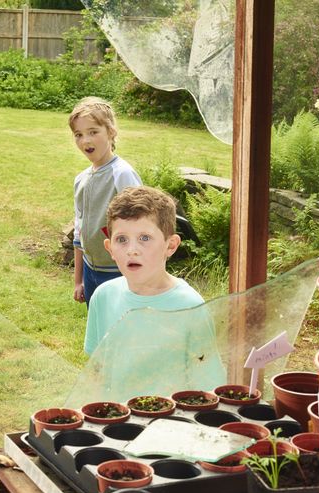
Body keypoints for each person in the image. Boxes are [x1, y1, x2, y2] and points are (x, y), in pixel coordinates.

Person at [84, 186, 226, 391]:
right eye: (121, 240)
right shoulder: (103, 296)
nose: (132, 250)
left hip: (170, 420)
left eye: (145, 238)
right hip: (117, 418)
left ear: (171, 246)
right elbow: (97, 370)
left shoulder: (190, 306)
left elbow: (207, 384)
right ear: (110, 248)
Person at [69, 96, 141, 306]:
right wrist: (78, 280)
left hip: (119, 273)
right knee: (98, 327)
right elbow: (78, 231)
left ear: (111, 131)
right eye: (79, 135)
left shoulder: (122, 174)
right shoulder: (81, 180)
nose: (86, 141)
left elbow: (142, 226)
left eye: (93, 132)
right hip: (91, 271)